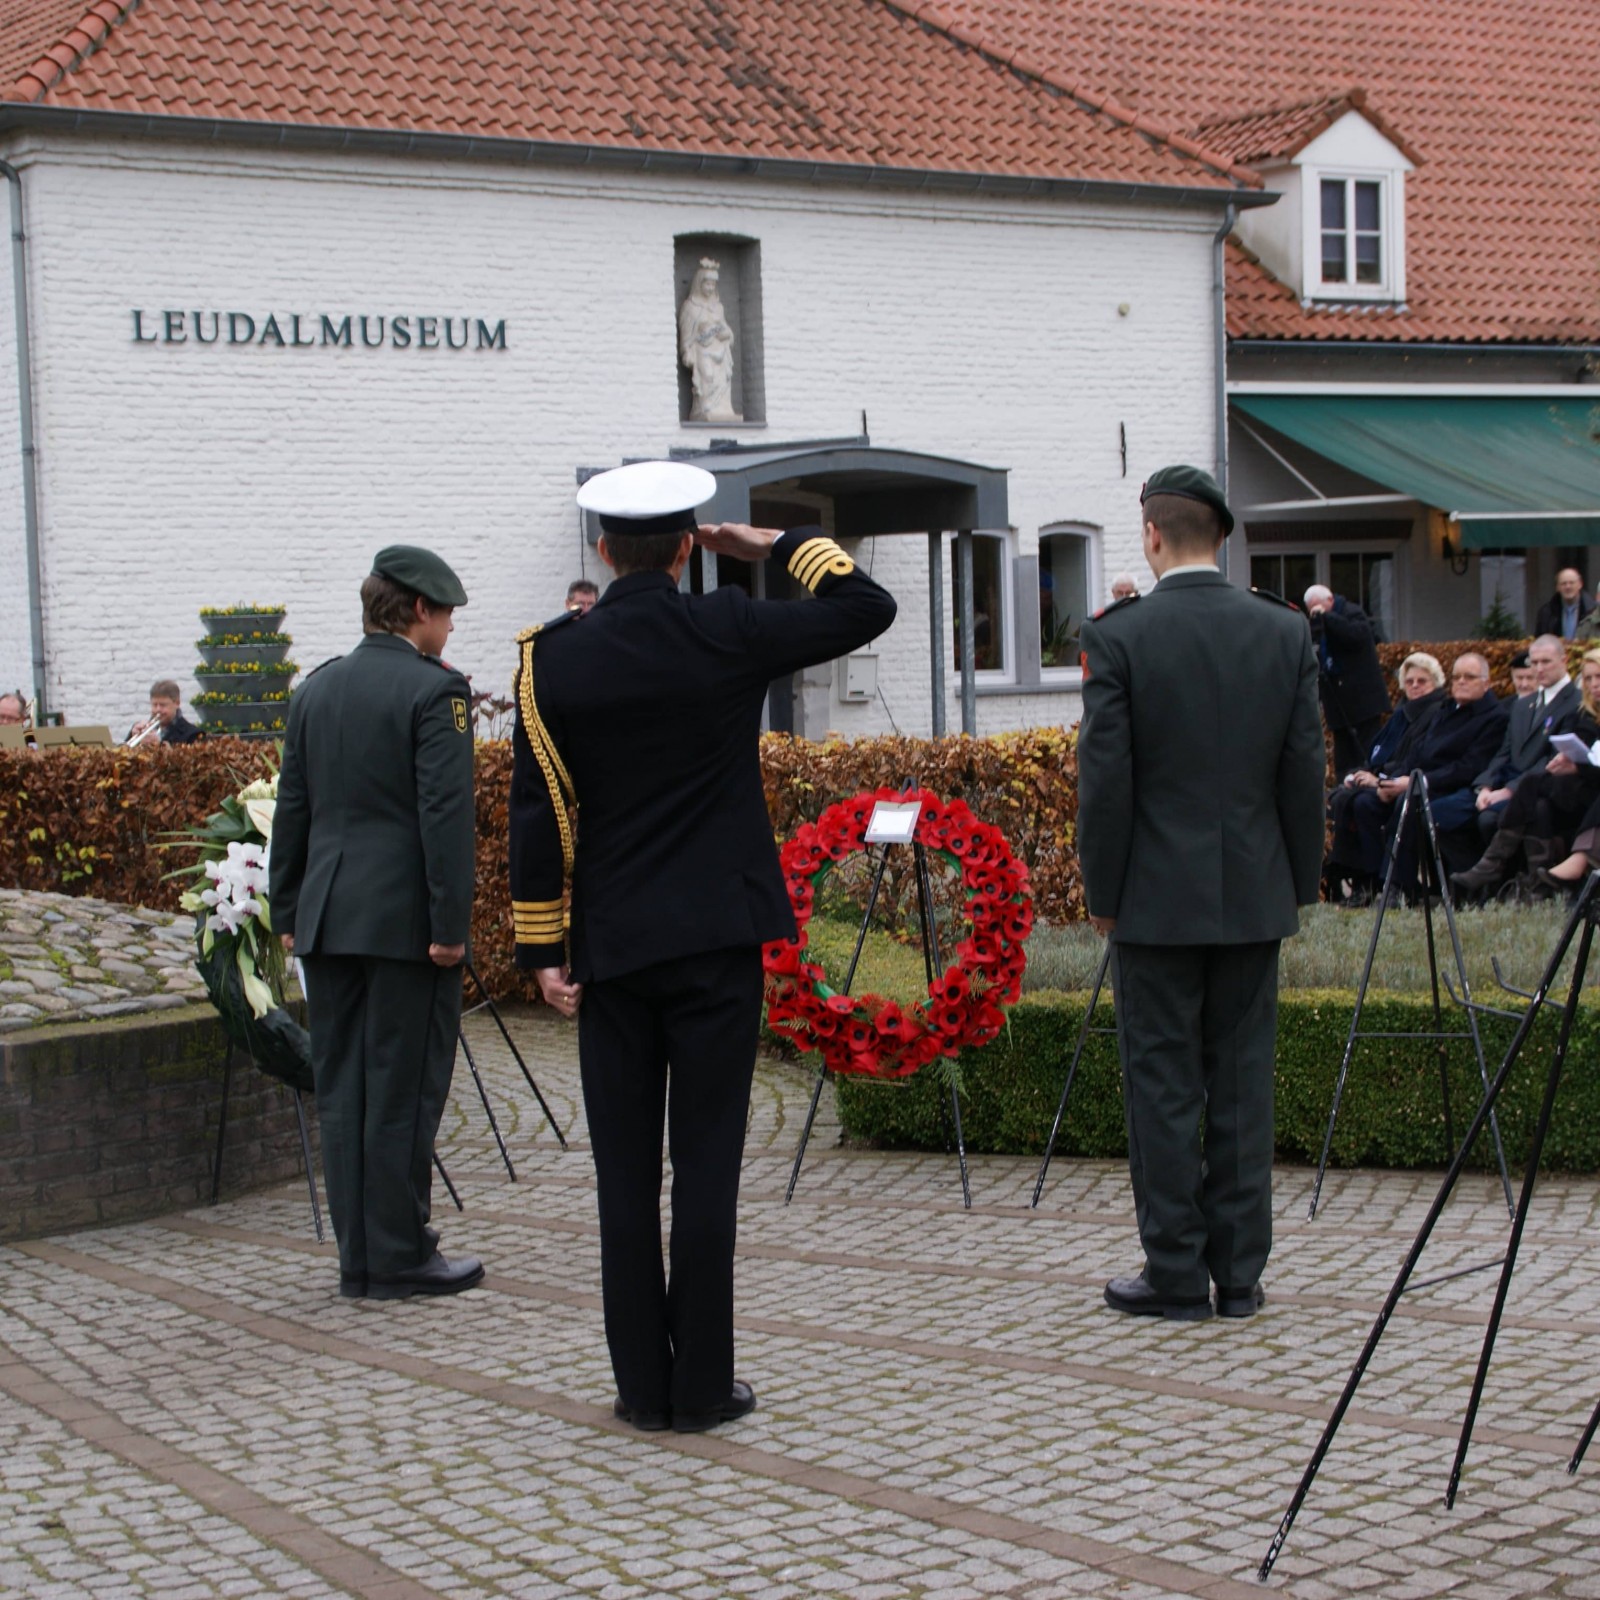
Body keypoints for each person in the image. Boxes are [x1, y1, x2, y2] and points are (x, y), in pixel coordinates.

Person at [509, 459, 895, 1427]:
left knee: (625, 1178)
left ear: (602, 549)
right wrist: (770, 545)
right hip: (718, 936)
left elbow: (535, 815)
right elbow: (866, 605)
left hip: (615, 944)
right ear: (687, 548)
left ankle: (641, 1387)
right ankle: (702, 1384)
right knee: (709, 1170)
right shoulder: (724, 627)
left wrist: (541, 948)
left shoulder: (551, 659)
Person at [1077, 465, 1324, 1322]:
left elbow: (1106, 784)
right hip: (1254, 894)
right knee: (1244, 1082)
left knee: (1162, 1084)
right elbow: (1303, 775)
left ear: (1151, 536)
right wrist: (1298, 882)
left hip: (1152, 899)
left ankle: (1176, 1272)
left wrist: (1102, 893)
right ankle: (1242, 1278)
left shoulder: (1118, 637)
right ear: (1221, 540)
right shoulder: (1282, 631)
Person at [271, 546, 481, 1302]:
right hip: (404, 926)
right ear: (419, 611)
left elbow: (293, 806)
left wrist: (287, 909)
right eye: (448, 613)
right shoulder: (436, 694)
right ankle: (396, 1254)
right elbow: (446, 818)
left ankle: (360, 1254)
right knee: (401, 1089)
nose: (452, 628)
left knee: (343, 1091)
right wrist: (450, 924)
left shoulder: (318, 690)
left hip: (328, 917)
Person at [1451, 648, 1600, 901]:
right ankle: (1537, 885)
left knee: (1536, 788)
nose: (1594, 685)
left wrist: (1578, 767)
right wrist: (1569, 762)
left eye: (1599, 677)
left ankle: (1497, 865)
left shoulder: (1572, 705)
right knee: (1538, 802)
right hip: (1580, 790)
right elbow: (1580, 749)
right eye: (1588, 679)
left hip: (1592, 793)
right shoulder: (1585, 713)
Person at [1355, 652, 1506, 895]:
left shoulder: (1494, 718)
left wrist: (1416, 782)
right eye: (1457, 677)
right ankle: (1369, 882)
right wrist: (1393, 781)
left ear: (1486, 683)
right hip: (1423, 782)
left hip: (1455, 787)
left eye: (1469, 677)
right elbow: (1419, 752)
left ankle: (1397, 887)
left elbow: (1470, 767)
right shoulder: (1446, 709)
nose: (1461, 682)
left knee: (1412, 802)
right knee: (1365, 802)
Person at [1324, 653, 1447, 904]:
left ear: (1435, 683)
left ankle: (1389, 883)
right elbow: (1378, 752)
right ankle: (1362, 881)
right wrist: (1362, 774)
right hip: (1388, 780)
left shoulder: (1436, 712)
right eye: (1409, 680)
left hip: (1411, 784)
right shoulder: (1402, 712)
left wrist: (1379, 778)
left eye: (1421, 681)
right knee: (1344, 798)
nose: (1414, 685)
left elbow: (1417, 756)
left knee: (1363, 804)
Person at [1465, 635, 1580, 844]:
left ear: (1564, 661)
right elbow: (1504, 752)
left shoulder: (1575, 702)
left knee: (1489, 820)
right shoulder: (1522, 705)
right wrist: (1486, 786)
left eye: (1546, 662)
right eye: (1534, 663)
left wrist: (1510, 790)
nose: (1539, 669)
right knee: (1448, 812)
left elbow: (1553, 760)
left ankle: (1499, 875)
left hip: (1543, 789)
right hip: (1509, 785)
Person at [1303, 584, 1391, 777]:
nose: (1317, 613)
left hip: (1363, 702)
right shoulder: (1321, 622)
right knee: (1344, 759)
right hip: (1339, 704)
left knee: (1366, 751)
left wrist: (1328, 618)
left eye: (1319, 607)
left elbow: (1356, 636)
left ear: (1330, 600)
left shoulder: (1351, 612)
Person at [678, 257, 741, 423]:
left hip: (720, 351)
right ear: (699, 284)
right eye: (707, 284)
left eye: (713, 285)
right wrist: (688, 350)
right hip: (703, 352)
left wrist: (726, 334)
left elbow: (726, 329)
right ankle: (703, 408)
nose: (710, 288)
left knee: (722, 379)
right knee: (707, 376)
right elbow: (687, 335)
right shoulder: (691, 307)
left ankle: (723, 409)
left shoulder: (718, 307)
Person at [128, 679, 201, 745]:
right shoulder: (142, 730)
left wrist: (159, 745)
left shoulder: (192, 734)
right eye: (154, 705)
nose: (158, 709)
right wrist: (132, 735)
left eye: (163, 705)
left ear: (177, 703)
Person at [1534, 567, 1594, 640]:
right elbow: (1539, 641)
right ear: (1557, 587)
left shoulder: (1593, 611)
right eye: (1563, 583)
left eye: (1571, 583)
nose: (1568, 587)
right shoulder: (1546, 613)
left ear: (1580, 584)